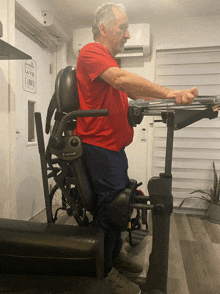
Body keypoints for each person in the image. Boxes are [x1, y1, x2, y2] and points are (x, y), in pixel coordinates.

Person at [75, 3, 199, 294]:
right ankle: (103, 273)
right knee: (111, 211)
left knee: (121, 206)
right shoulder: (91, 52)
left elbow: (131, 90)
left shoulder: (109, 63)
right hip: (99, 148)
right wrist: (169, 92)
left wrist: (171, 97)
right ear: (103, 28)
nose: (128, 34)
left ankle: (114, 256)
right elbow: (122, 81)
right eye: (123, 27)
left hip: (113, 149)